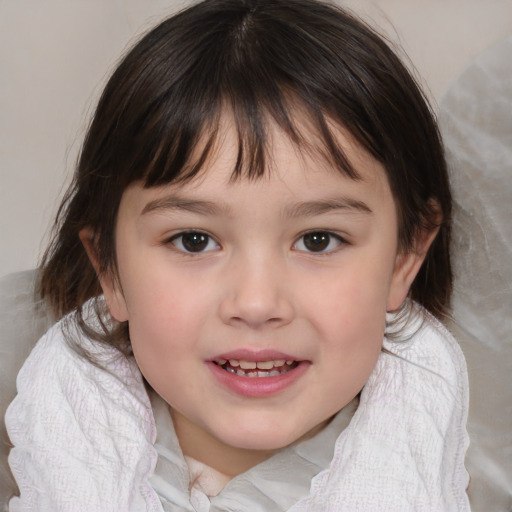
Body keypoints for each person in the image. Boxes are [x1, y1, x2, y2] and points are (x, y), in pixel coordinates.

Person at [5, 0, 470, 510]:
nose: (255, 302)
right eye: (193, 240)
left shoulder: (451, 447)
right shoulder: (49, 436)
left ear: (406, 257)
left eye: (318, 240)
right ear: (109, 269)